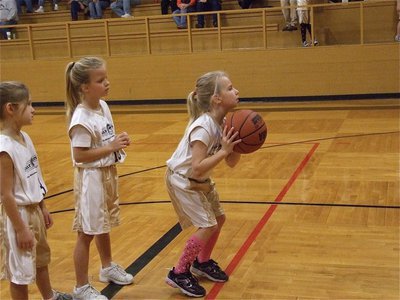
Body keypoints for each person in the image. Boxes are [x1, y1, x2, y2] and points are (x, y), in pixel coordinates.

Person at [164, 71, 242, 298]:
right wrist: (225, 150)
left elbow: (231, 163)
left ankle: (202, 262)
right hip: (182, 180)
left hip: (200, 178)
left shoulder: (225, 122)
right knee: (208, 225)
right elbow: (197, 166)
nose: (236, 91)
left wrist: (239, 144)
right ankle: (178, 272)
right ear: (216, 98)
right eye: (230, 88)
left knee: (219, 219)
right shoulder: (203, 127)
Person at [65, 57, 133, 300]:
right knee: (87, 232)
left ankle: (107, 267)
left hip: (106, 174)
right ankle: (81, 287)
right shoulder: (81, 118)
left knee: (103, 225)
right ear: (84, 87)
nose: (107, 83)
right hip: (90, 179)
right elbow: (80, 155)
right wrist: (110, 147)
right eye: (100, 80)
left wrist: (117, 143)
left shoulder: (103, 106)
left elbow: (106, 141)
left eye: (106, 78)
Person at [0, 81, 72, 300]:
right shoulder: (4, 149)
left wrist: (43, 206)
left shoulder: (25, 138)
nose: (34, 109)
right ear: (10, 108)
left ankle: (49, 296)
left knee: (41, 259)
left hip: (34, 211)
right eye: (28, 104)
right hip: (18, 216)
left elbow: (35, 176)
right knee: (20, 273)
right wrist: (21, 229)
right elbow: (6, 195)